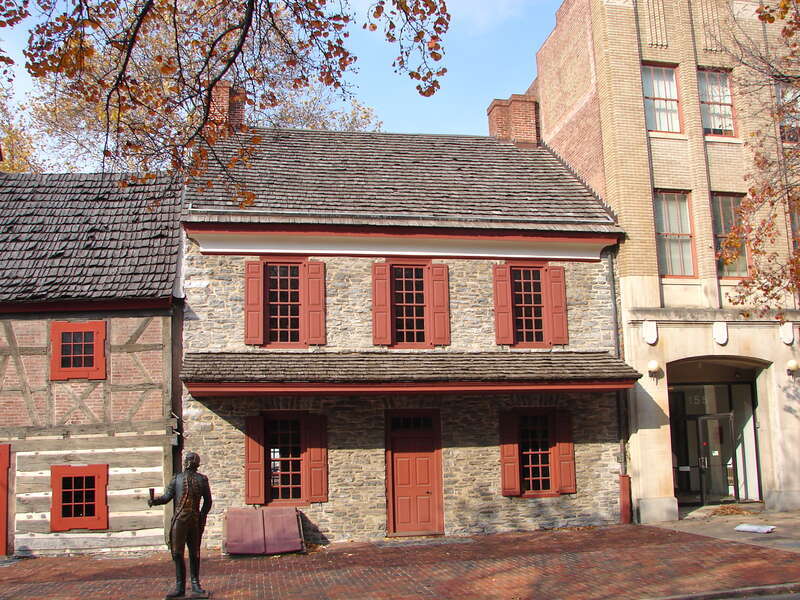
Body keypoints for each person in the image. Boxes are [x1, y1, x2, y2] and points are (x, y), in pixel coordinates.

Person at [149, 451, 213, 598]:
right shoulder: (176, 479)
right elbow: (167, 497)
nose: (187, 462)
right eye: (187, 459)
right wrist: (155, 501)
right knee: (177, 553)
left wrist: (201, 516)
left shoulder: (202, 480)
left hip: (194, 521)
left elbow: (208, 502)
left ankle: (196, 585)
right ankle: (180, 586)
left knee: (194, 552)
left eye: (190, 459)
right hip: (179, 520)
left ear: (196, 462)